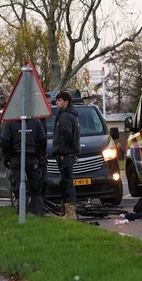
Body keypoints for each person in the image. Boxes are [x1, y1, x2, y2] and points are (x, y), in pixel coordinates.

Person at [1, 116, 48, 217]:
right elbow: (43, 139)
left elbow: (4, 142)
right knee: (35, 186)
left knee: (17, 185)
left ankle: (22, 213)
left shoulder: (9, 121)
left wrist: (8, 158)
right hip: (32, 157)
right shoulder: (36, 121)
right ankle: (38, 213)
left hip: (15, 158)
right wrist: (38, 154)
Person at [52, 91, 81, 220]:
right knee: (65, 181)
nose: (57, 103)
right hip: (69, 153)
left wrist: (62, 152)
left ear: (66, 102)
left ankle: (70, 212)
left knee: (67, 181)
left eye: (59, 100)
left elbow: (66, 136)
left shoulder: (65, 116)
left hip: (66, 154)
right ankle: (66, 210)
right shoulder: (71, 115)